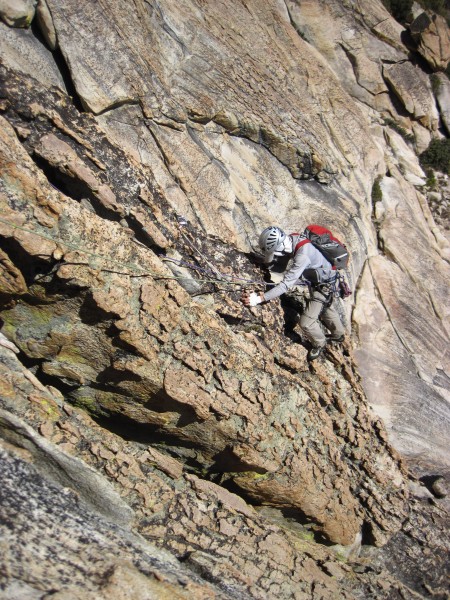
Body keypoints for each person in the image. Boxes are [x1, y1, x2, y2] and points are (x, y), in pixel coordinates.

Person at [242, 226, 345, 360]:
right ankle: (339, 335)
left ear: (279, 248)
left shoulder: (303, 256)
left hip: (324, 285)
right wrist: (264, 261)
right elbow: (279, 266)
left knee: (306, 322)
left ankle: (320, 343)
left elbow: (285, 285)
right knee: (325, 307)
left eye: (275, 253)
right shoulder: (293, 238)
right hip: (323, 280)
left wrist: (260, 298)